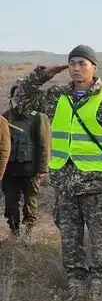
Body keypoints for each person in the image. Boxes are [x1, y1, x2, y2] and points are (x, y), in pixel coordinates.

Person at [12, 45, 102, 301]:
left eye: (82, 63)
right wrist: (42, 74)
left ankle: (97, 294)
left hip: (98, 186)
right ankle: (76, 292)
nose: (77, 68)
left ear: (94, 67)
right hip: (65, 185)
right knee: (70, 242)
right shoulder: (58, 97)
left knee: (100, 242)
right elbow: (20, 99)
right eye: (72, 63)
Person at [2, 86, 49, 241]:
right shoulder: (6, 116)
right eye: (17, 94)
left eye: (24, 93)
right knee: (10, 204)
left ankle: (29, 234)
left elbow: (44, 144)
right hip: (9, 170)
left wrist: (42, 168)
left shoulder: (39, 117)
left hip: (31, 170)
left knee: (30, 204)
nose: (20, 97)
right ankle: (14, 233)